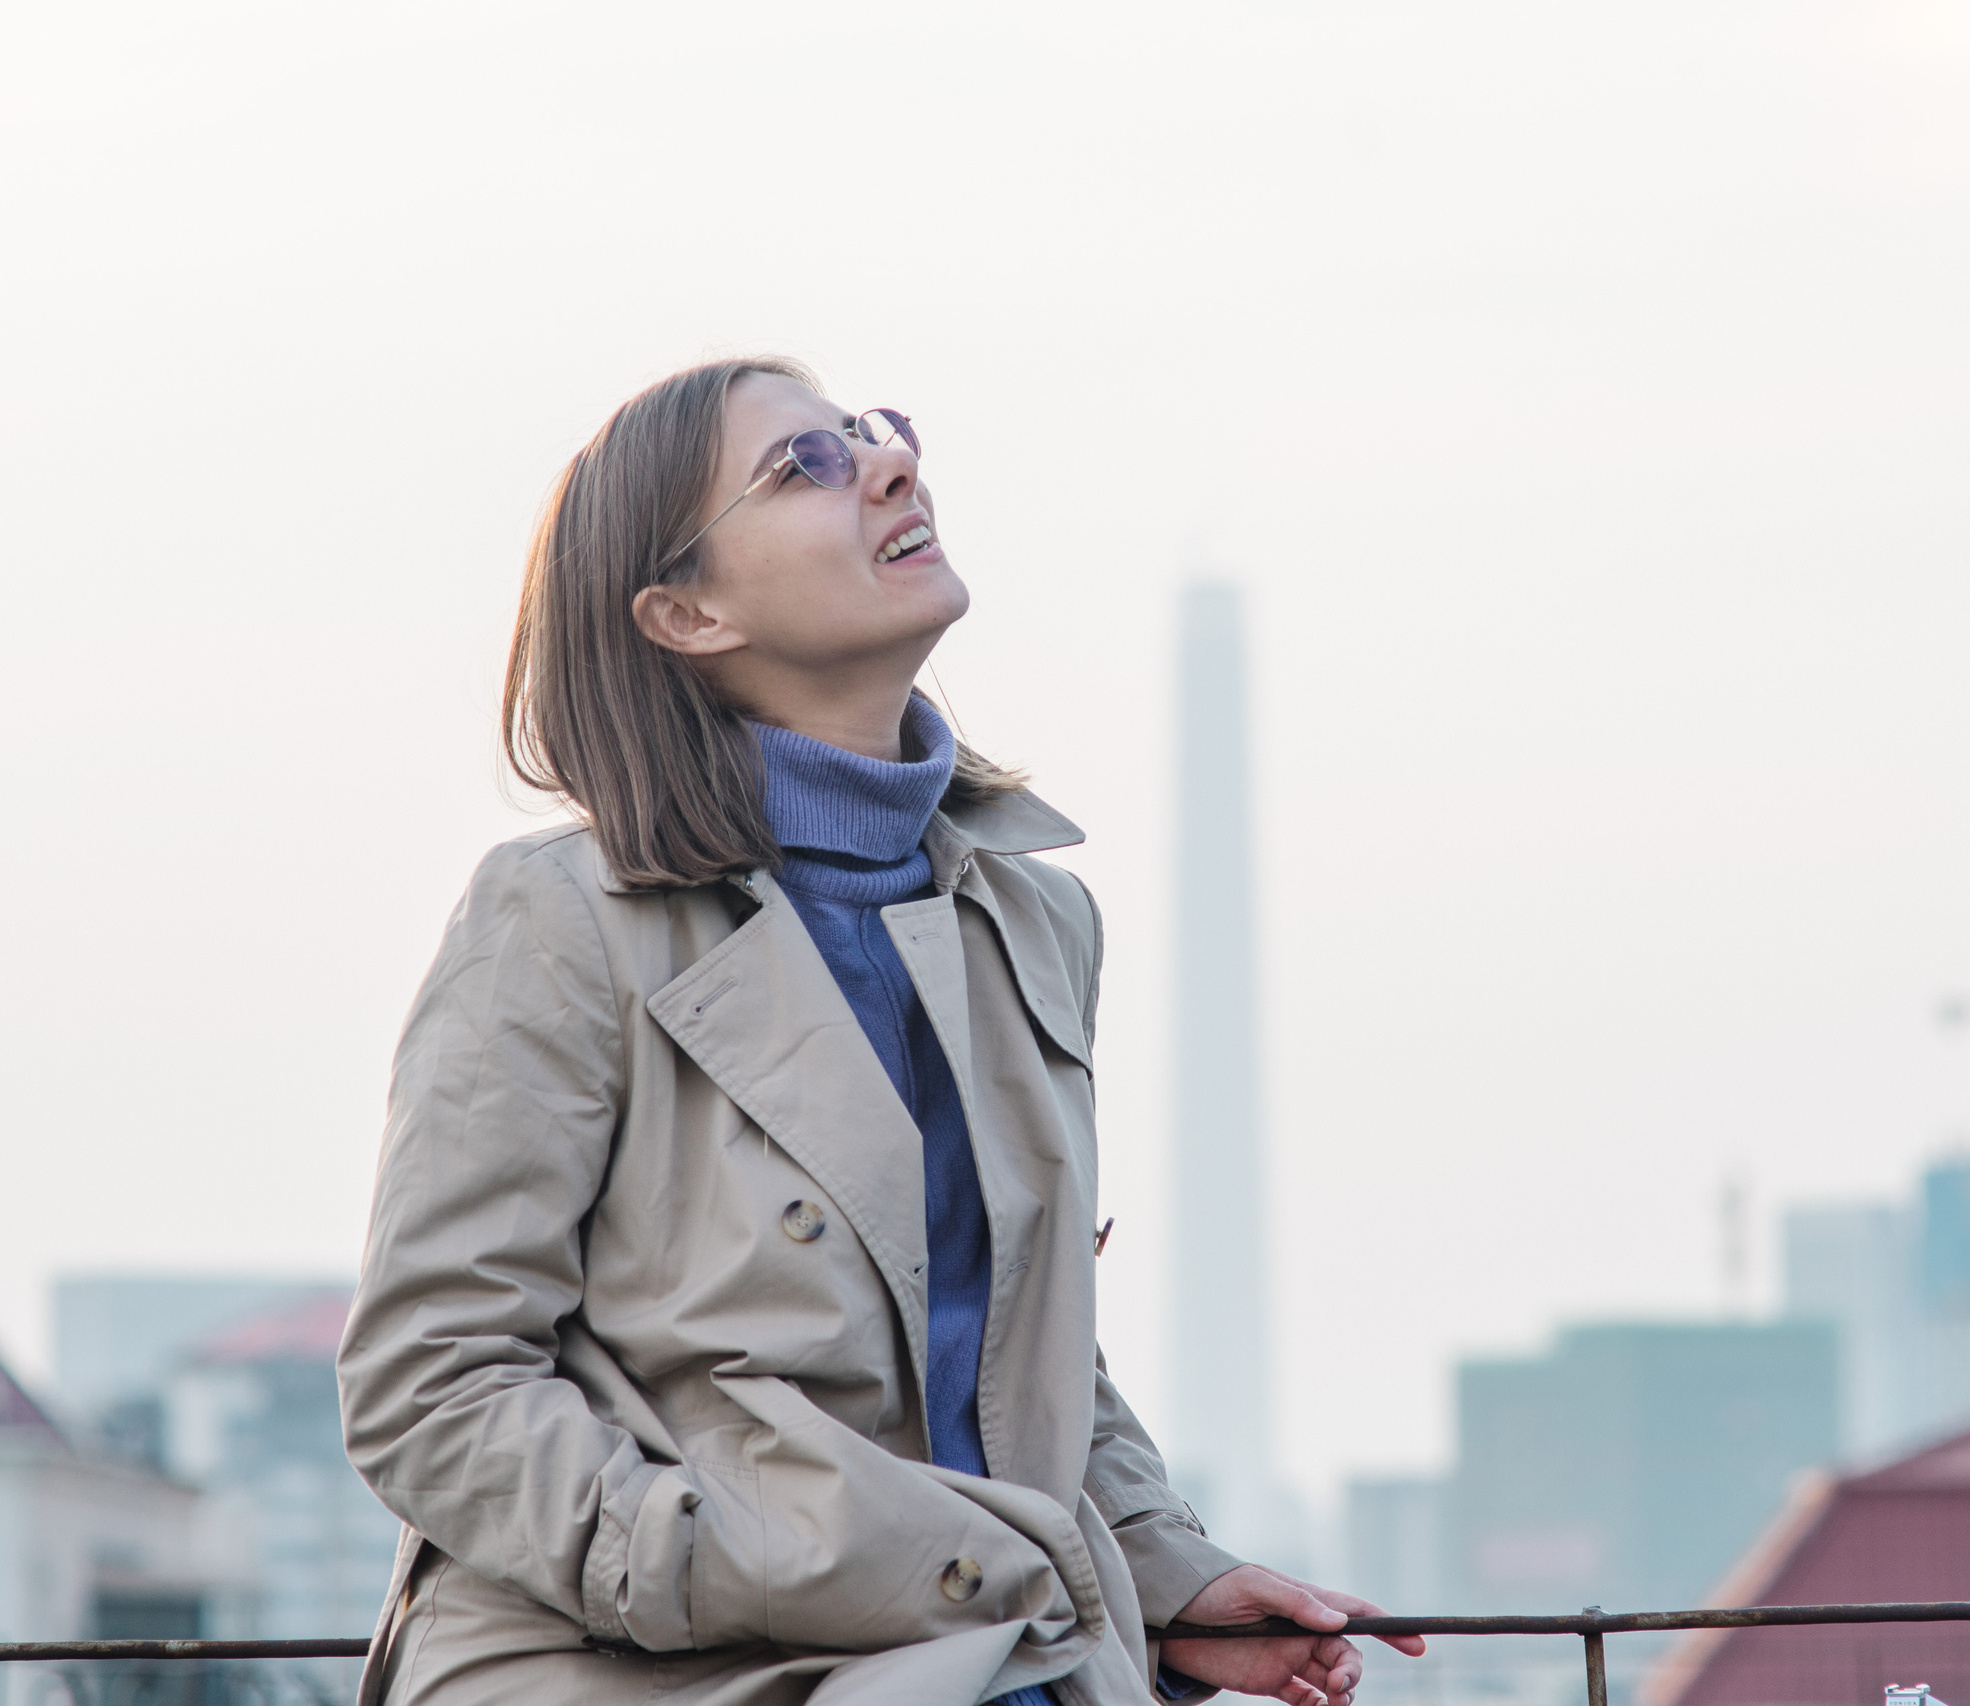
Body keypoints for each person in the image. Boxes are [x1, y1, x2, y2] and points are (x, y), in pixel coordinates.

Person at [336, 357, 1423, 1706]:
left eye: (869, 432)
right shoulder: (562, 917)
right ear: (687, 611)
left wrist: (1162, 1572)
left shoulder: (1035, 918)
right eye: (804, 465)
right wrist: (725, 1561)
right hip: (663, 1671)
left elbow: (1011, 1349)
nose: (893, 465)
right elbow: (432, 1380)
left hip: (993, 1657)